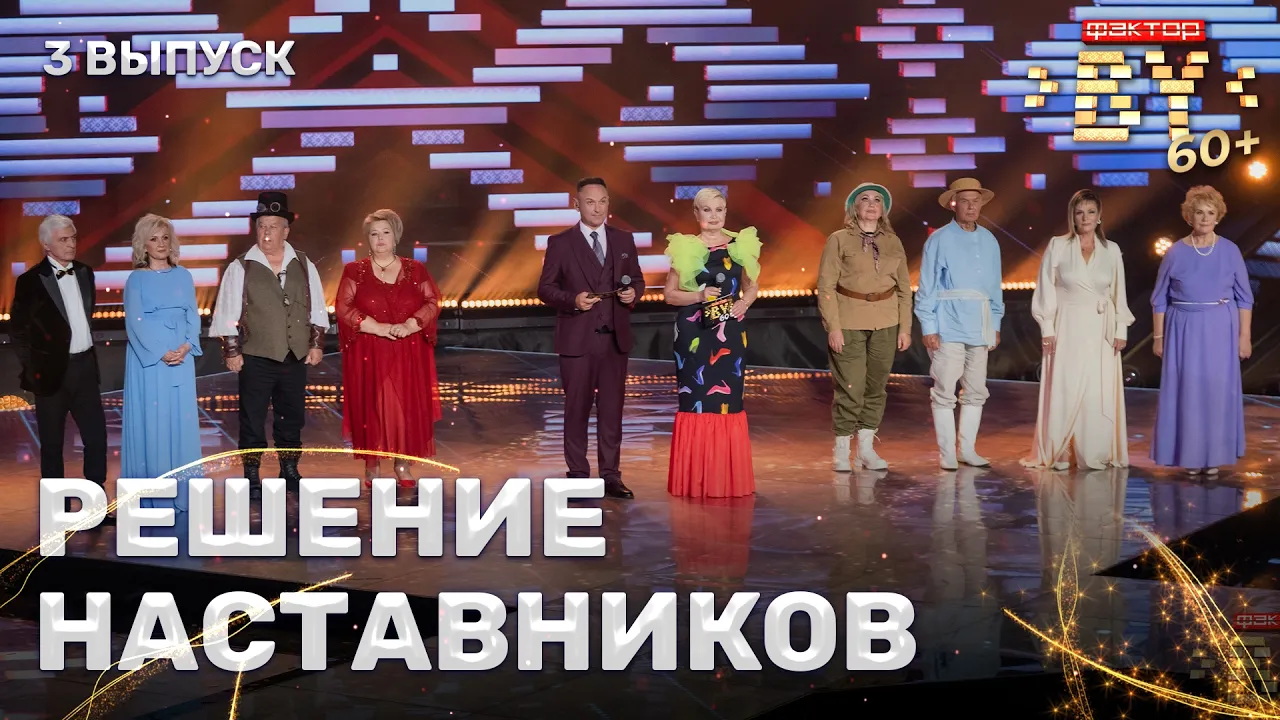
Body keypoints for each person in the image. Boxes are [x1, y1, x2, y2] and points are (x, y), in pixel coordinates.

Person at [209, 191, 328, 493]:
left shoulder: (304, 263)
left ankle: (289, 469)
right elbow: (226, 310)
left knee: (292, 416)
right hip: (256, 356)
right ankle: (251, 474)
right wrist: (232, 350)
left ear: (285, 231)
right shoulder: (242, 266)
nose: (266, 232)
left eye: (273, 226)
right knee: (252, 418)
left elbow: (316, 305)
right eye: (261, 226)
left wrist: (315, 343)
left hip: (294, 355)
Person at [536, 177, 644, 499]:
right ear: (577, 205)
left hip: (614, 341)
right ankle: (578, 475)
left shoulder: (624, 239)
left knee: (612, 411)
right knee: (577, 410)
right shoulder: (561, 243)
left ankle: (611, 476)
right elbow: (545, 289)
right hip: (577, 340)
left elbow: (637, 279)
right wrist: (573, 300)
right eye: (590, 202)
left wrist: (633, 295)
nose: (597, 209)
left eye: (603, 202)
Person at [10, 214, 114, 523]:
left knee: (96, 439)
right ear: (46, 245)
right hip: (50, 375)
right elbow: (19, 332)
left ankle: (96, 507)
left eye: (73, 238)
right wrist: (35, 369)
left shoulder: (84, 272)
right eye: (64, 240)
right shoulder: (30, 281)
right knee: (53, 445)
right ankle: (56, 512)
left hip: (84, 369)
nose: (71, 244)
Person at [1022, 190, 1134, 471]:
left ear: (1099, 216)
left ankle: (1093, 450)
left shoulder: (1112, 249)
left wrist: (1121, 328)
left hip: (1101, 328)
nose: (1085, 218)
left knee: (1097, 389)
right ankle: (1061, 450)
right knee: (1066, 385)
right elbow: (1045, 287)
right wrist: (1047, 327)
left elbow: (1118, 291)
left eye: (1091, 212)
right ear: (1072, 216)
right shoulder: (1058, 245)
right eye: (1079, 212)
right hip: (1067, 325)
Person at [663, 187, 760, 498]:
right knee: (695, 400)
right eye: (707, 210)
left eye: (719, 209)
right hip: (693, 333)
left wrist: (744, 303)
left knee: (728, 402)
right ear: (697, 214)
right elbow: (669, 295)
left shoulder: (740, 245)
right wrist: (699, 295)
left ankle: (727, 479)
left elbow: (751, 286)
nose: (714, 215)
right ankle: (695, 481)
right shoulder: (685, 247)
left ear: (726, 213)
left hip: (729, 331)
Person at [1150, 185, 1253, 475]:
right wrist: (1159, 337)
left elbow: (1245, 298)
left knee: (1215, 391)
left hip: (1220, 327)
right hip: (1182, 328)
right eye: (1199, 212)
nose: (1205, 218)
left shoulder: (1230, 250)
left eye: (1210, 213)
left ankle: (1213, 456)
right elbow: (1159, 298)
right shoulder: (1175, 252)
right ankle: (1191, 456)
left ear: (1218, 217)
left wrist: (1244, 337)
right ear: (1189, 216)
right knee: (1187, 392)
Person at [335, 209, 442, 487]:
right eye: (374, 234)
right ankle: (372, 464)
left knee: (404, 405)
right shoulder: (354, 271)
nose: (380, 238)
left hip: (408, 349)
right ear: (367, 239)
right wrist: (376, 327)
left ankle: (402, 463)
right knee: (372, 404)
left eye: (386, 232)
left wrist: (411, 324)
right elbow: (343, 307)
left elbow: (432, 302)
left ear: (396, 237)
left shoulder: (415, 269)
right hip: (369, 350)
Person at [816, 182, 912, 472]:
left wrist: (905, 328)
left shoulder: (893, 242)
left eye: (877, 200)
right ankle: (842, 450)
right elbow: (826, 286)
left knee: (876, 386)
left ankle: (866, 451)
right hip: (849, 320)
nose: (871, 204)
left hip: (886, 320)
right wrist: (833, 326)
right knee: (851, 386)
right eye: (865, 199)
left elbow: (904, 288)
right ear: (854, 207)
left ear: (884, 209)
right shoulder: (838, 240)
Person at [915, 178, 1004, 470]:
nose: (971, 206)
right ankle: (947, 453)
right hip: (948, 322)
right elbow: (927, 285)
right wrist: (928, 326)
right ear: (954, 204)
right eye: (965, 201)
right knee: (945, 389)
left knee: (976, 389)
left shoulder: (989, 240)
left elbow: (994, 286)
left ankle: (967, 449)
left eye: (975, 201)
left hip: (979, 322)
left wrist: (995, 322)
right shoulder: (939, 239)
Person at [122, 214, 203, 512]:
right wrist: (160, 352)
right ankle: (154, 495)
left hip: (181, 356)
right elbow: (135, 321)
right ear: (143, 244)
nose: (160, 244)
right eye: (153, 239)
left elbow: (193, 314)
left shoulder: (184, 275)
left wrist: (186, 346)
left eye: (165, 238)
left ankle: (183, 494)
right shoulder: (136, 279)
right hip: (150, 359)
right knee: (153, 422)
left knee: (180, 421)